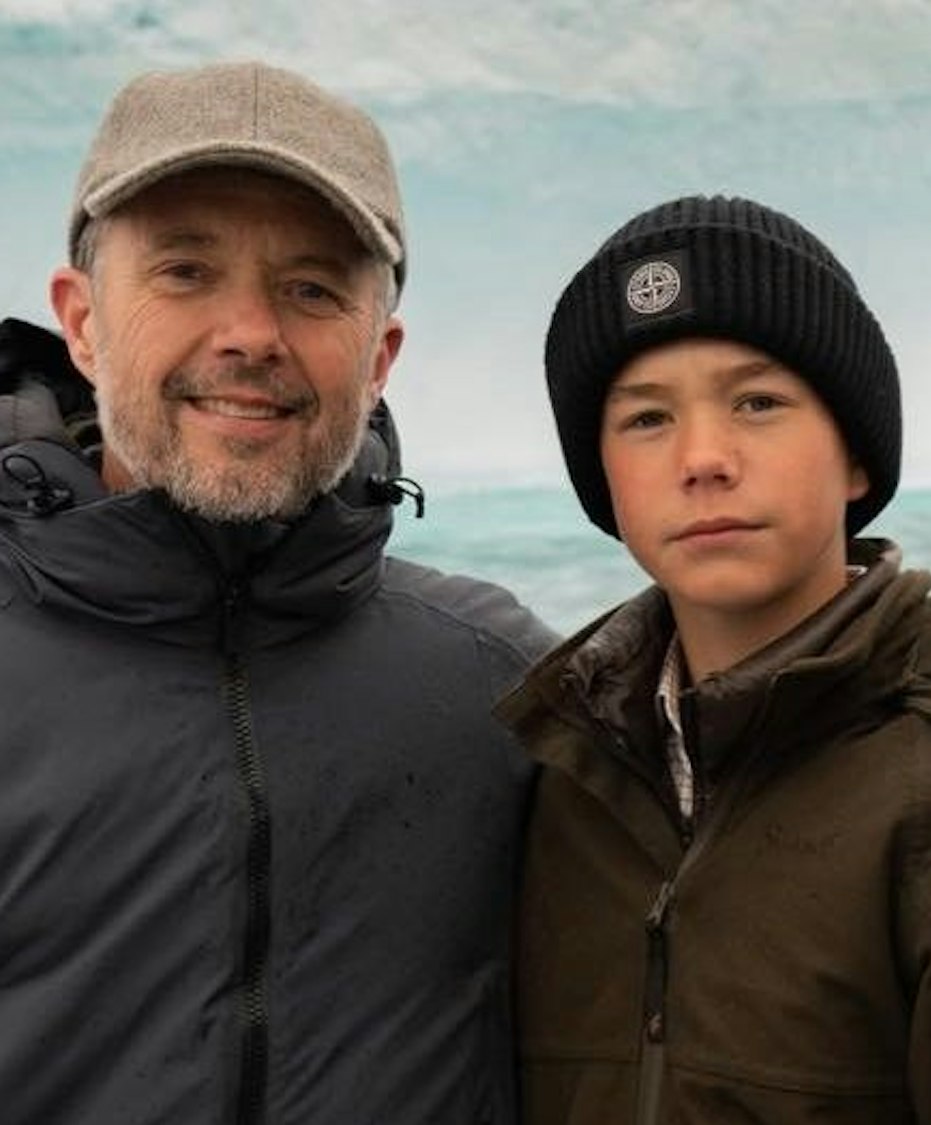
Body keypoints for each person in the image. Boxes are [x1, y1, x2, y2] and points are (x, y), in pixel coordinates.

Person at [501, 193, 931, 1124]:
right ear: (604, 478)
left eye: (759, 403)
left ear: (855, 458)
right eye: (646, 419)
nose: (704, 458)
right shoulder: (568, 777)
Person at [0, 61, 556, 1123]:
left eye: (310, 288)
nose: (251, 334)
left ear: (380, 353)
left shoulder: (508, 687)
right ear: (80, 320)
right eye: (184, 271)